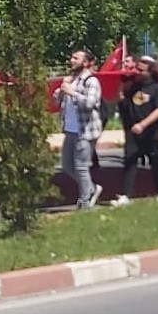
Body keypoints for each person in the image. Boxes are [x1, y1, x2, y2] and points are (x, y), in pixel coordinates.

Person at [114, 56, 158, 205]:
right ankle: (126, 194)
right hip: (133, 130)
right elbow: (123, 103)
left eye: (141, 70)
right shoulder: (132, 86)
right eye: (136, 69)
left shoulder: (156, 88)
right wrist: (121, 87)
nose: (137, 72)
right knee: (130, 160)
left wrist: (143, 124)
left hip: (150, 131)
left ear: (150, 72)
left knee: (155, 160)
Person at [53, 50, 103, 209]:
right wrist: (62, 90)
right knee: (67, 165)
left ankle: (85, 201)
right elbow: (55, 101)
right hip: (70, 129)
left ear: (86, 62)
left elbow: (89, 104)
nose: (71, 60)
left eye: (76, 58)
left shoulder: (91, 81)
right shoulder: (71, 80)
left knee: (81, 166)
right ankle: (92, 188)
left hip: (85, 130)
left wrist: (72, 93)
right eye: (72, 57)